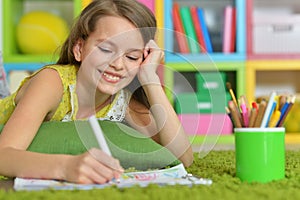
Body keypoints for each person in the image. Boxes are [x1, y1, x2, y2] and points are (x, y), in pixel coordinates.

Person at [0, 0, 193, 184]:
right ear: (79, 48)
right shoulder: (52, 82)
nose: (118, 64)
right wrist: (65, 167)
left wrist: (150, 78)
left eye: (132, 56)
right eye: (106, 49)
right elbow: (3, 155)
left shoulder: (122, 100)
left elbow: (183, 157)